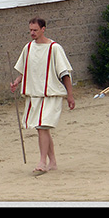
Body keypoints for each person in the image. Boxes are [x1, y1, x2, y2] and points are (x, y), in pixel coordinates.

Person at [10, 18, 76, 176]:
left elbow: (64, 73)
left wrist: (70, 96)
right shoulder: (28, 48)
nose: (32, 33)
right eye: (30, 30)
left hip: (51, 94)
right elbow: (24, 69)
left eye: (35, 30)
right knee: (42, 128)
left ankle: (42, 162)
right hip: (34, 94)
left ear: (43, 29)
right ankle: (52, 162)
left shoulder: (55, 48)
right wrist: (17, 82)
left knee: (42, 127)